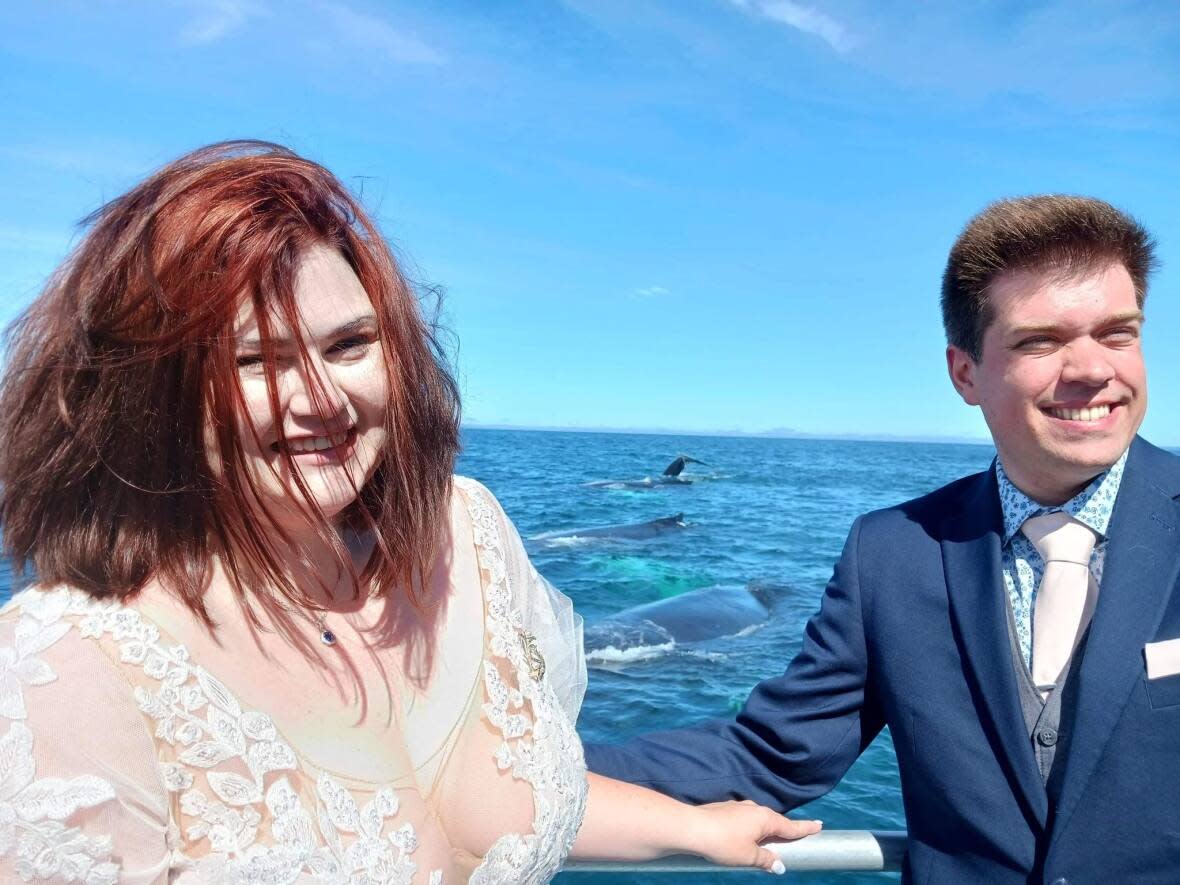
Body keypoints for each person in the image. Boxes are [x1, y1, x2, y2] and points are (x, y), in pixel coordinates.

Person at [0, 141, 820, 883]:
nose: (318, 398)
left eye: (350, 344)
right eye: (254, 359)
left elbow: (500, 801)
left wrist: (696, 828)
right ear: (151, 395)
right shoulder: (68, 666)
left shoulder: (467, 534)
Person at [587, 195, 1180, 883]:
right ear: (965, 373)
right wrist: (517, 766)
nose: (1092, 369)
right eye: (1040, 341)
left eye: (1116, 333)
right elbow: (770, 757)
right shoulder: (893, 555)